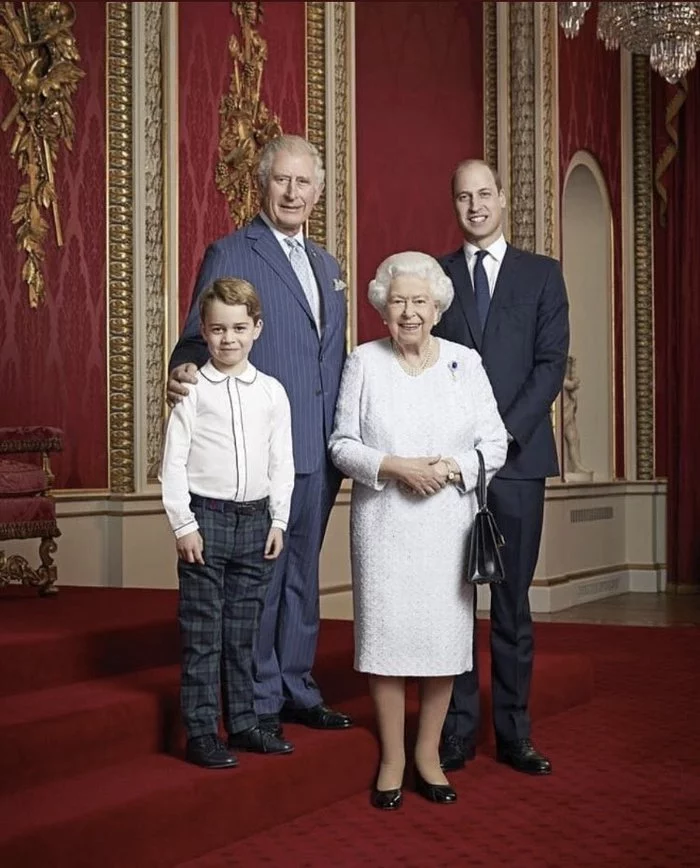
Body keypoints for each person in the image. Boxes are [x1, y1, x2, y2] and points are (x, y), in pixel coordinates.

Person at [167, 135, 352, 737]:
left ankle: (298, 684)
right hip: (262, 446)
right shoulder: (232, 251)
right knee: (262, 583)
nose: (293, 193)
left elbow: (329, 357)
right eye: (282, 181)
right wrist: (183, 368)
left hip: (321, 448)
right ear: (263, 184)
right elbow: (198, 336)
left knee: (303, 574)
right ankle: (257, 699)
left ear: (318, 192)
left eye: (304, 183)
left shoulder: (327, 265)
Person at [329, 251, 508, 810]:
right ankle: (392, 757)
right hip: (383, 522)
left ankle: (428, 754)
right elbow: (341, 444)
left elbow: (495, 443)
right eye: (399, 301)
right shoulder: (364, 361)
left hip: (446, 523)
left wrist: (450, 468)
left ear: (437, 306)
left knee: (441, 642)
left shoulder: (465, 362)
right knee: (385, 640)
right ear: (383, 306)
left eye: (420, 301)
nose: (409, 312)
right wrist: (395, 467)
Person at [434, 159, 570, 776]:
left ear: (503, 199)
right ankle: (457, 731)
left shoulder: (542, 275)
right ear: (455, 205)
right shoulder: (433, 277)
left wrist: (500, 437)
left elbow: (549, 367)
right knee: (456, 603)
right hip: (453, 468)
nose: (475, 206)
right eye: (464, 197)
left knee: (511, 604)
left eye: (484, 194)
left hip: (516, 462)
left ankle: (514, 733)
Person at [160, 278, 295, 768]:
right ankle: (200, 731)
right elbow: (172, 463)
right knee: (202, 631)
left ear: (256, 328)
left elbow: (282, 461)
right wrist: (183, 524)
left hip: (256, 521)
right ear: (204, 330)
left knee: (242, 631)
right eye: (218, 329)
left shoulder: (272, 393)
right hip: (206, 519)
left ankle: (242, 723)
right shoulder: (193, 390)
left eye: (239, 327)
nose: (228, 339)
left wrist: (278, 519)